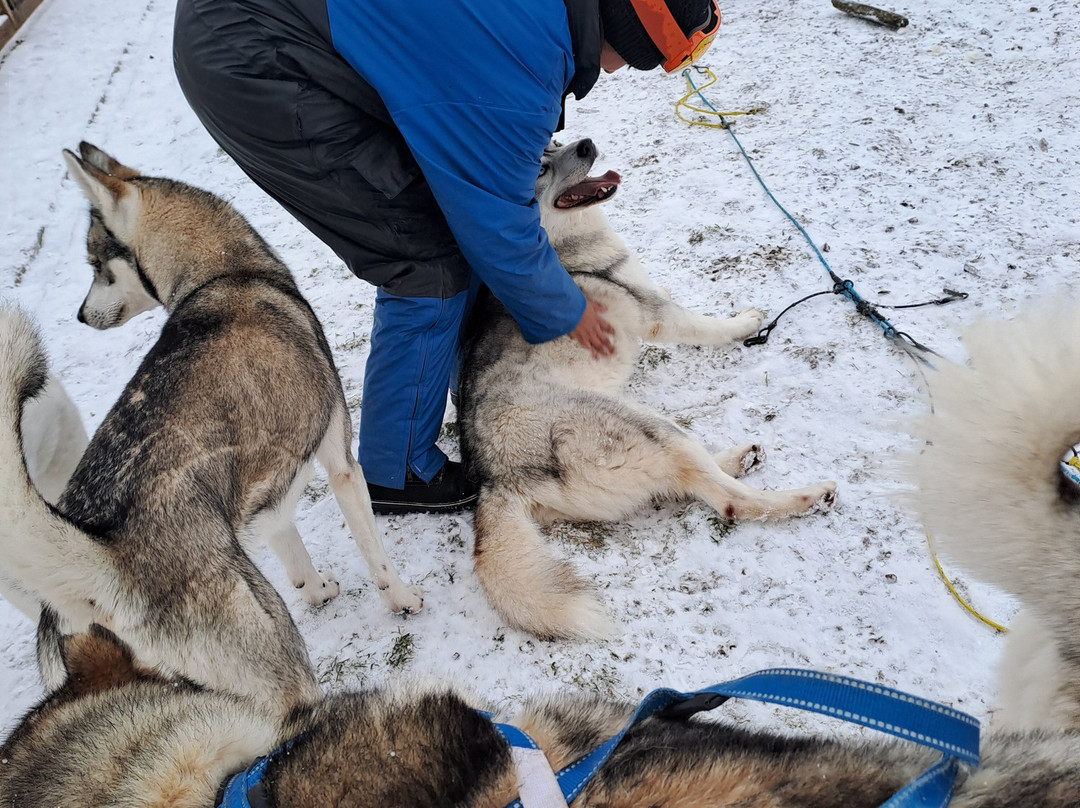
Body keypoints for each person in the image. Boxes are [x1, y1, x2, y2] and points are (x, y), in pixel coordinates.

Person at [172, 0, 720, 515]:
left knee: (443, 209)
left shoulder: (539, 23)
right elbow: (495, 223)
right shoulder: (521, 61)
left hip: (277, 25)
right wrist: (567, 311)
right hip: (258, 53)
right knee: (425, 255)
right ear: (624, 32)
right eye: (640, 59)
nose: (625, 70)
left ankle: (464, 382)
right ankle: (396, 471)